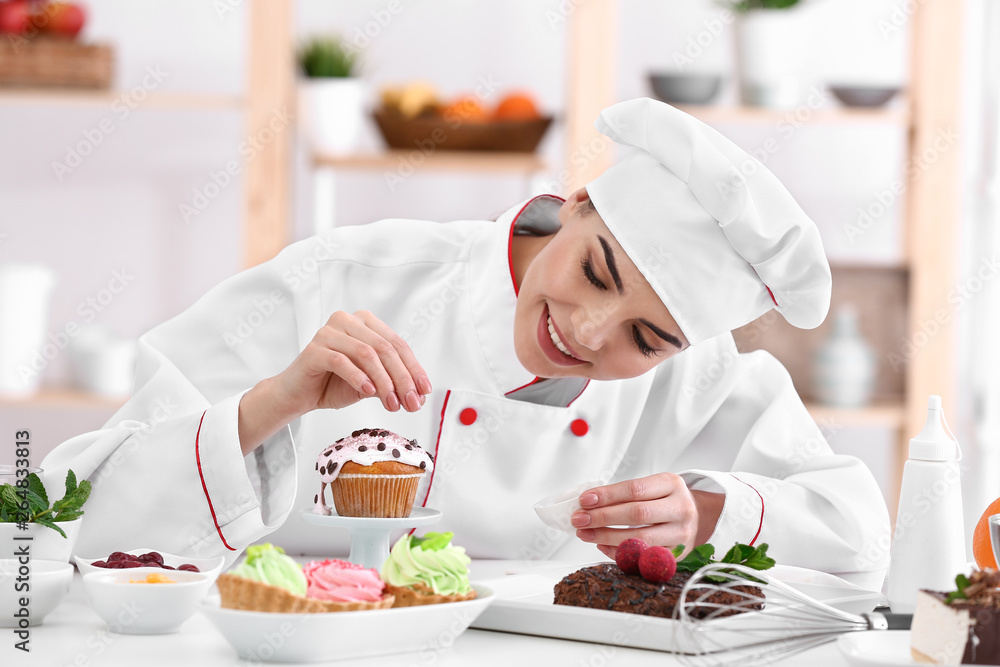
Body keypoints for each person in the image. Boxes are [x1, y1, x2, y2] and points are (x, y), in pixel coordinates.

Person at [42, 98, 890, 590]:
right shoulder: (343, 276)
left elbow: (861, 536)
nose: (585, 334)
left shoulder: (698, 375)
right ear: (579, 201)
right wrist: (276, 401)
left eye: (646, 336)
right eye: (596, 273)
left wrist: (712, 508)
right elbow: (65, 512)